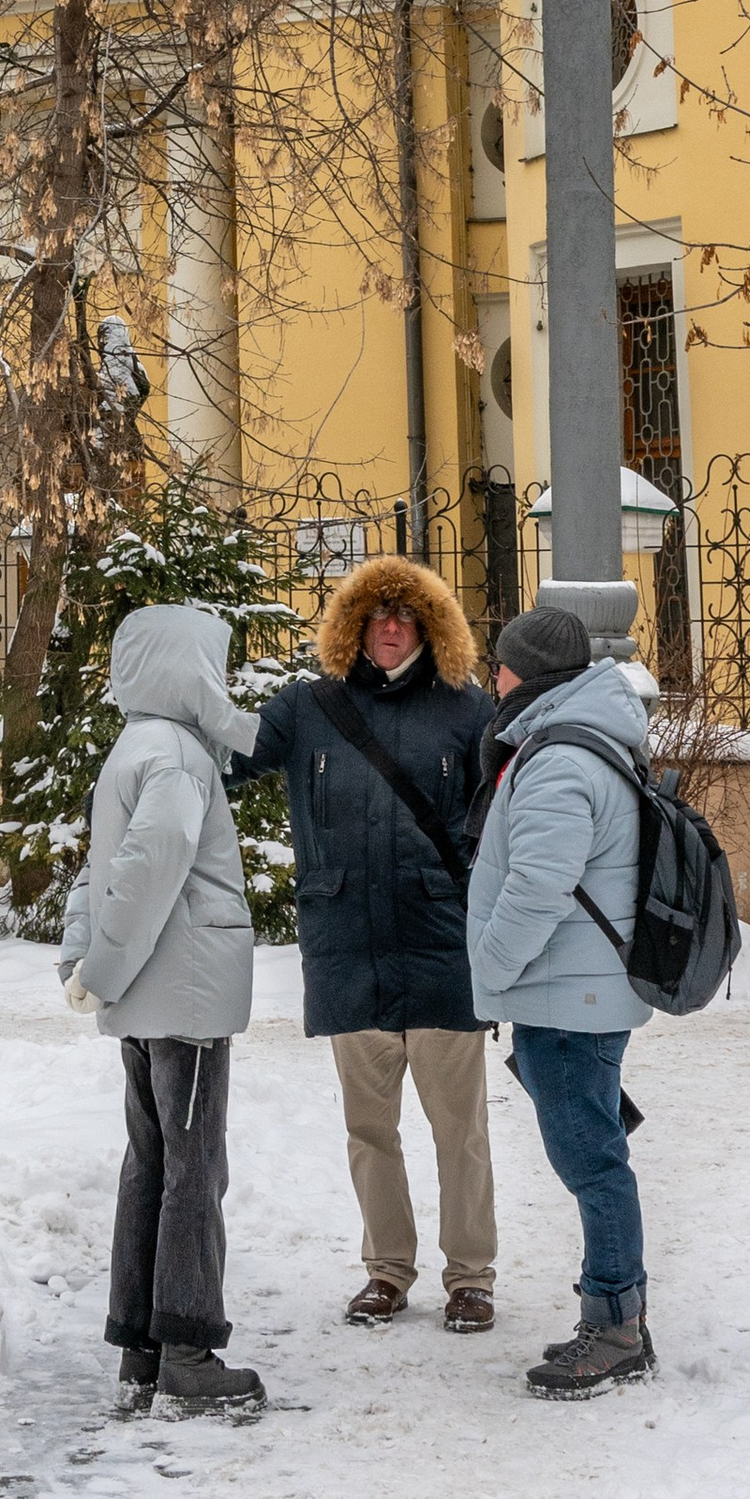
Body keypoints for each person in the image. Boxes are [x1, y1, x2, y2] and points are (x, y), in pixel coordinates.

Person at [237, 555, 496, 1334]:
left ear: (430, 627)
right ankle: (387, 1270)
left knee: (460, 1130)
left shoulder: (467, 711)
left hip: (441, 945)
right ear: (352, 624)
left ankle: (471, 1277)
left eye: (406, 616)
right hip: (347, 943)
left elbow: (505, 824)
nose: (390, 628)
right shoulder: (308, 709)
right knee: (368, 1128)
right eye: (376, 615)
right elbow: (227, 763)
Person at [57, 600, 267, 1418]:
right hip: (182, 996)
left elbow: (97, 870)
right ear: (187, 670)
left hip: (149, 998)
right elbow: (145, 872)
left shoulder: (133, 749)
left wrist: (87, 964)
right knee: (193, 1171)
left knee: (151, 1163)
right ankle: (187, 1350)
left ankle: (141, 1350)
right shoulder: (178, 757)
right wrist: (101, 970)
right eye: (212, 665)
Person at [466, 598, 658, 1401]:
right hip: (574, 993)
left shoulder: (558, 759)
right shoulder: (575, 741)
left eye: (502, 663)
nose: (494, 676)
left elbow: (540, 884)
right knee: (591, 1151)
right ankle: (613, 1316)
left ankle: (615, 1328)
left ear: (530, 675)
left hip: (569, 998)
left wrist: (489, 971)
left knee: (591, 1161)